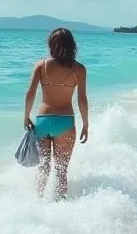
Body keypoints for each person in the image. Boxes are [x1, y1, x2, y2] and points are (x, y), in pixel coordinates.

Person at [23, 27, 89, 200]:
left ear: (51, 45)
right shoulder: (79, 69)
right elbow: (82, 99)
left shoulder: (41, 65)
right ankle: (59, 208)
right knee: (61, 170)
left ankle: (37, 202)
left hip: (43, 121)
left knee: (43, 168)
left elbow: (30, 93)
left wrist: (26, 116)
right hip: (65, 123)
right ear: (72, 45)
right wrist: (86, 124)